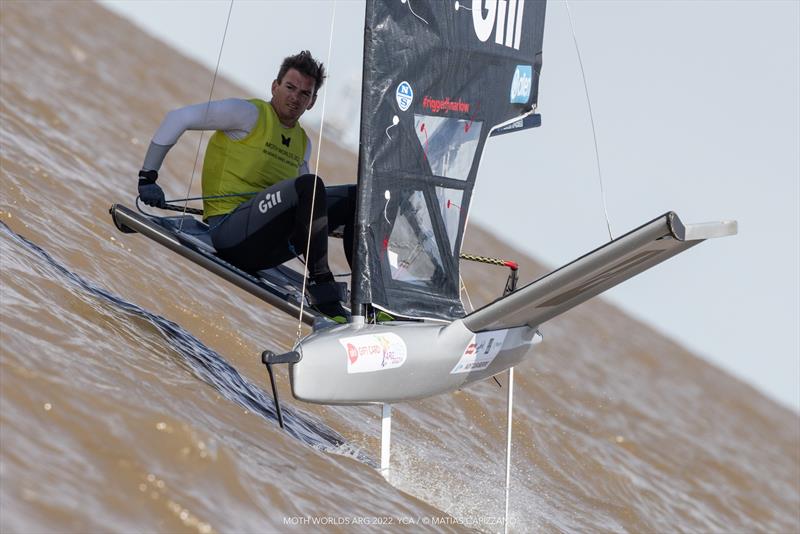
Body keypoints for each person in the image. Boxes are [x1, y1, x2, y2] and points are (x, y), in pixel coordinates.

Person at [137, 50, 354, 321]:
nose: (295, 97)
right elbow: (178, 118)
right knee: (310, 185)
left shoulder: (303, 143)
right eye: (290, 87)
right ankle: (323, 289)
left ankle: (367, 298)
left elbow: (308, 205)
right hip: (228, 233)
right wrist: (148, 177)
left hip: (269, 248)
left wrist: (331, 223)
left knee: (358, 197)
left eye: (304, 94)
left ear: (312, 102)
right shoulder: (246, 113)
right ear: (274, 86)